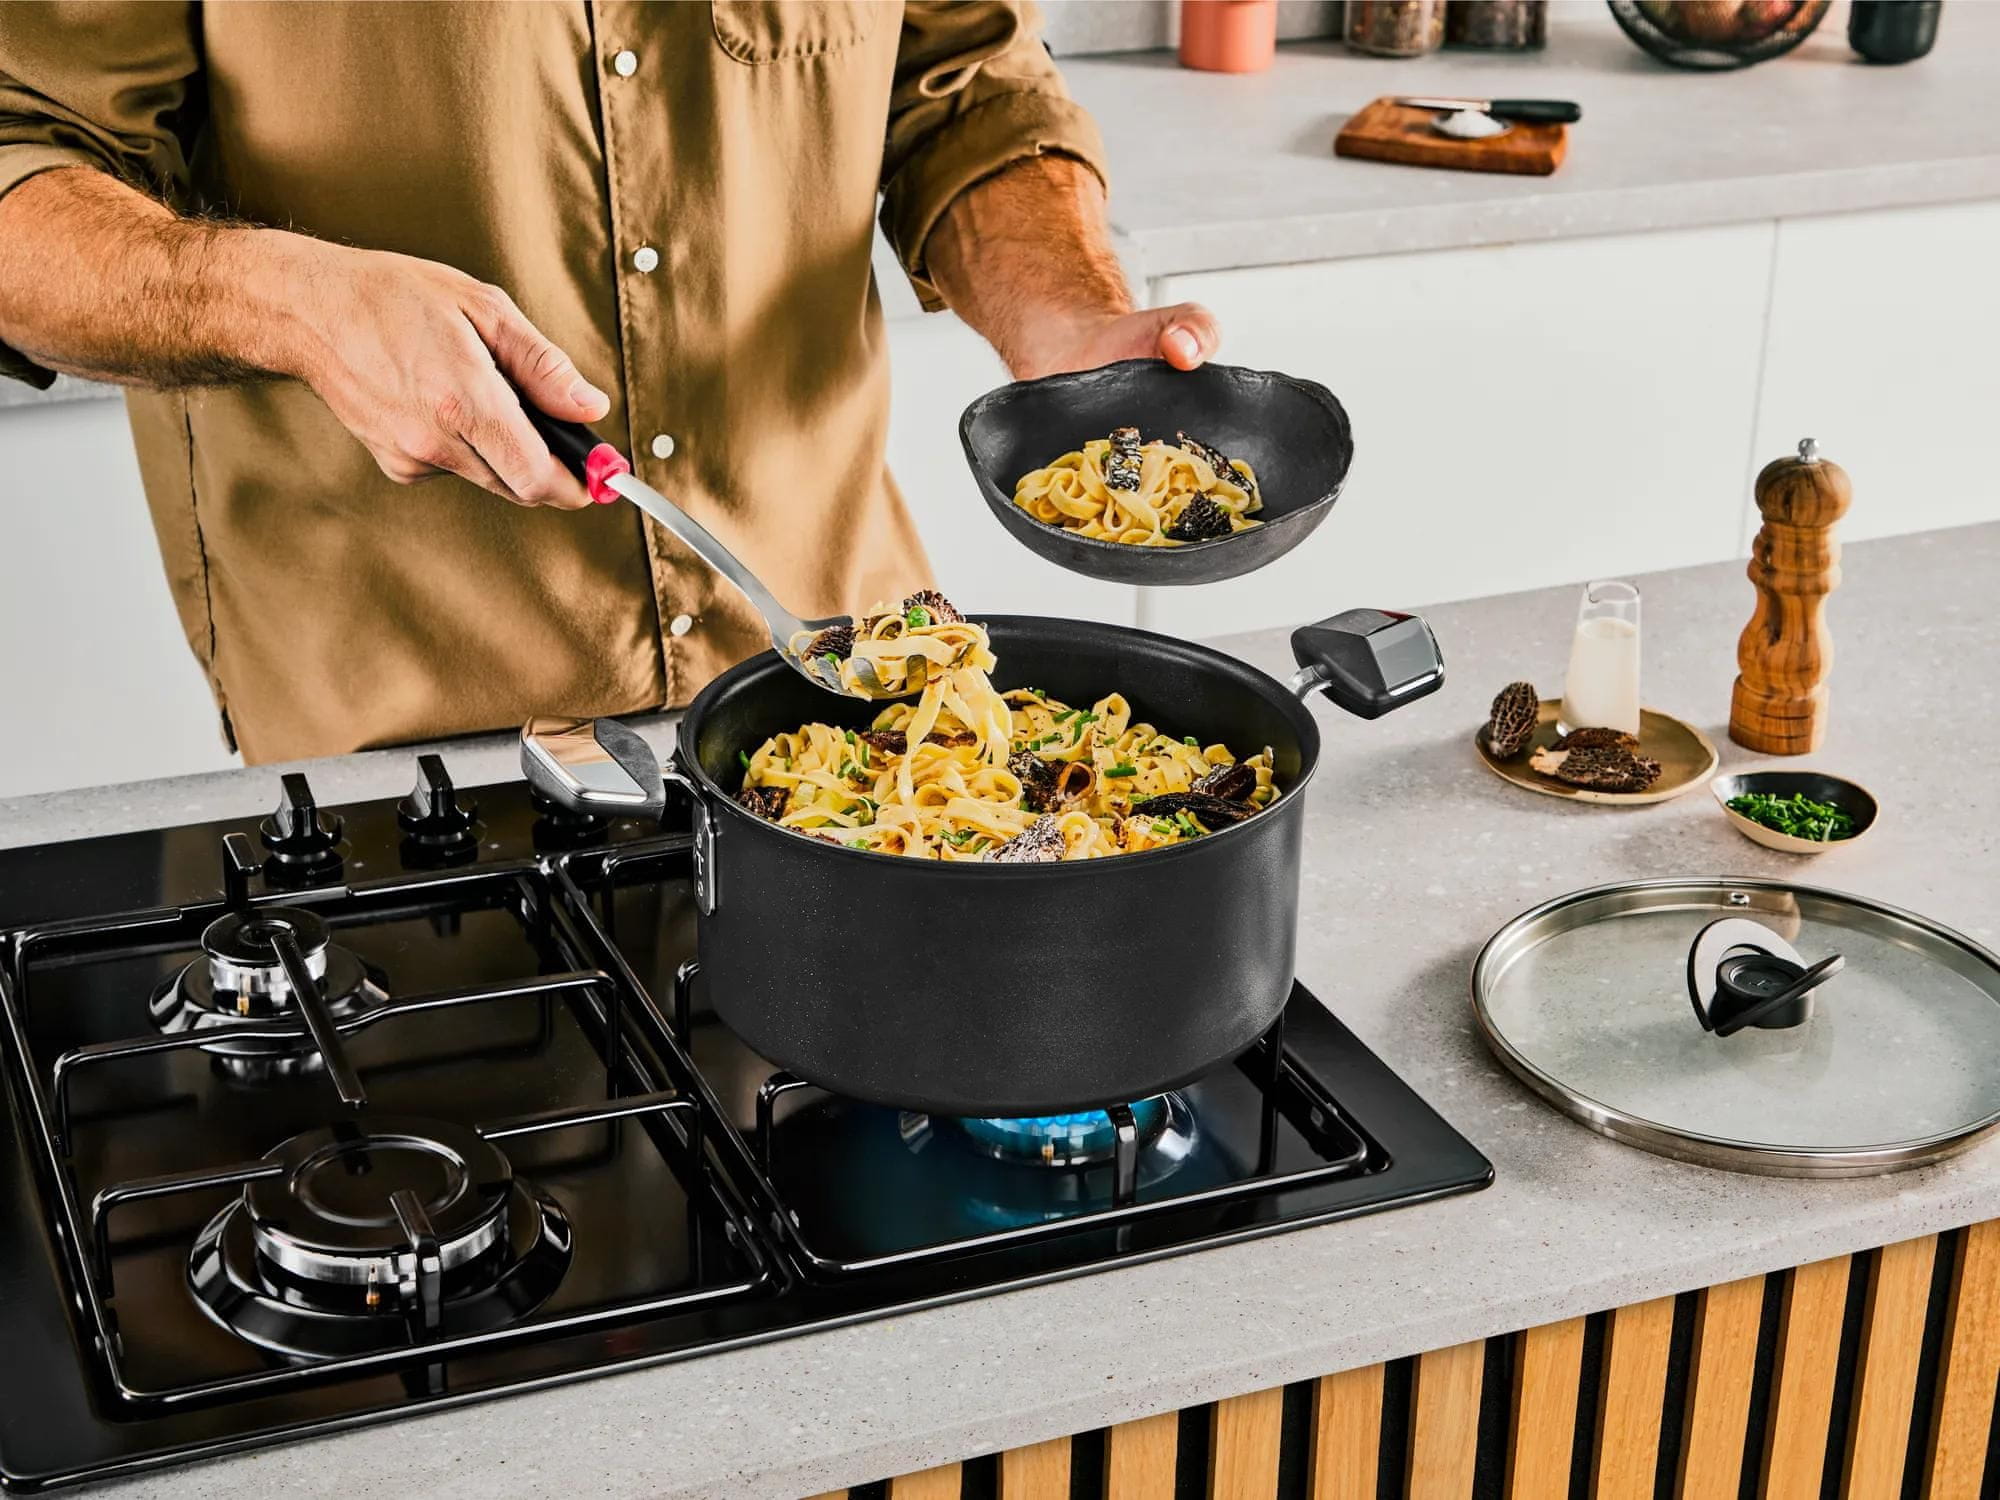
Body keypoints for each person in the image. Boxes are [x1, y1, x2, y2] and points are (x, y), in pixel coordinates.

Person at [0, 2, 1218, 763]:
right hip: (412, 738)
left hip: (853, 684)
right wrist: (299, 305)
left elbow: (960, 83)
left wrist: (1066, 311)